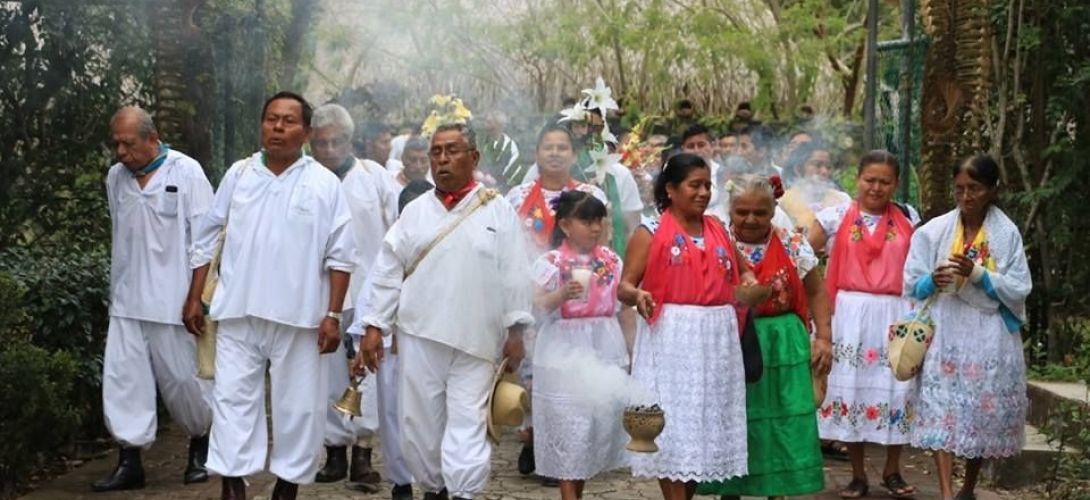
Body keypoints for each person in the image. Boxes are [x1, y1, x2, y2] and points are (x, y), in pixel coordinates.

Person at [184, 91, 358, 500]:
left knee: (297, 411)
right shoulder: (240, 174)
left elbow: (342, 255)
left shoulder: (323, 184)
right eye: (271, 119)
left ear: (307, 132)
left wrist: (333, 314)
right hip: (237, 314)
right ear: (262, 125)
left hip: (300, 320)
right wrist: (194, 297)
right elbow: (205, 238)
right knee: (231, 405)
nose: (278, 128)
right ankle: (233, 489)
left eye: (288, 121)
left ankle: (286, 490)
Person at [354, 123, 533, 500]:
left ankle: (463, 493)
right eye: (437, 151)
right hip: (420, 335)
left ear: (474, 157)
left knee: (468, 424)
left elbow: (515, 273)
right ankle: (434, 489)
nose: (443, 159)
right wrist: (375, 327)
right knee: (417, 426)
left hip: (478, 339)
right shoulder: (415, 212)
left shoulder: (498, 211)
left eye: (452, 150)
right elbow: (388, 271)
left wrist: (516, 331)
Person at [618, 153, 757, 500]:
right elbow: (624, 286)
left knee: (702, 433)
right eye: (694, 185)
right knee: (674, 429)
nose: (703, 192)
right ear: (671, 189)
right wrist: (639, 295)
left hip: (716, 340)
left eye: (708, 185)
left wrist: (751, 283)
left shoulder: (719, 229)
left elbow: (745, 270)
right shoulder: (649, 232)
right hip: (672, 337)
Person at [94, 106, 214, 492]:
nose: (121, 153)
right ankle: (130, 462)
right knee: (123, 381)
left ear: (153, 138)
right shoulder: (116, 178)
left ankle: (201, 445)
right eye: (116, 144)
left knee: (185, 380)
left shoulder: (186, 171)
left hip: (174, 301)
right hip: (127, 300)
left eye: (128, 144)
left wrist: (195, 298)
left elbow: (205, 241)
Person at [904, 154, 1031, 500]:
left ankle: (968, 488)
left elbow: (1019, 287)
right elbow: (911, 282)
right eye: (960, 188)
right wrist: (933, 279)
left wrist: (977, 274)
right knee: (941, 405)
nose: (966, 196)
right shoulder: (933, 232)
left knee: (979, 410)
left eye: (974, 188)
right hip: (946, 327)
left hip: (989, 332)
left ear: (992, 189)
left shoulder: (1006, 235)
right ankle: (946, 492)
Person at [697, 176, 832, 499]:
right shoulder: (715, 243)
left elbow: (815, 291)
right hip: (732, 341)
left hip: (784, 342)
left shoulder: (793, 243)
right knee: (736, 417)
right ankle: (730, 491)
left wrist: (824, 338)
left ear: (774, 210)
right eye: (742, 211)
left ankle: (779, 491)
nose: (751, 220)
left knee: (783, 420)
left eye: (760, 212)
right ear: (729, 209)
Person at [807, 150, 920, 500]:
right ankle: (857, 474)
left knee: (897, 388)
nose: (876, 187)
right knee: (850, 388)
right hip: (849, 313)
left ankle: (892, 470)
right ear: (857, 179)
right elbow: (802, 257)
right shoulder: (836, 216)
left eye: (885, 181)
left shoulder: (908, 217)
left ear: (896, 184)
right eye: (870, 179)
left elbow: (921, 262)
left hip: (894, 311)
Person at [309, 103, 400, 491]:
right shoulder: (306, 181)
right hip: (321, 293)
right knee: (327, 374)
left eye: (336, 141)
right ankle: (334, 453)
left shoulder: (374, 177)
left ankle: (363, 456)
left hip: (367, 293)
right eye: (321, 143)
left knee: (366, 373)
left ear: (350, 140)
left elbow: (396, 233)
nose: (329, 149)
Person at [531, 191, 628, 500]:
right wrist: (560, 295)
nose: (595, 228)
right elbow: (533, 304)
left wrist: (632, 350)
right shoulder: (549, 261)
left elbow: (624, 309)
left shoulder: (611, 260)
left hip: (604, 342)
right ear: (566, 224)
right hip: (564, 346)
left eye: (598, 220)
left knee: (593, 428)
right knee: (568, 427)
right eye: (586, 221)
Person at [507, 125, 608, 255]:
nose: (554, 153)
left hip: (580, 272)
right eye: (548, 148)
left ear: (574, 156)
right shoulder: (516, 197)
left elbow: (603, 249)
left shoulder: (592, 196)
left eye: (562, 148)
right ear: (536, 155)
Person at [779, 142, 851, 233]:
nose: (824, 171)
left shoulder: (842, 200)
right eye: (817, 165)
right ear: (799, 169)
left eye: (828, 167)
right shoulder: (783, 202)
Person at [478, 110, 525, 190]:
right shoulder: (482, 141)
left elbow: (512, 174)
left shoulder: (509, 146)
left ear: (498, 125)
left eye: (489, 122)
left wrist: (493, 180)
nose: (485, 125)